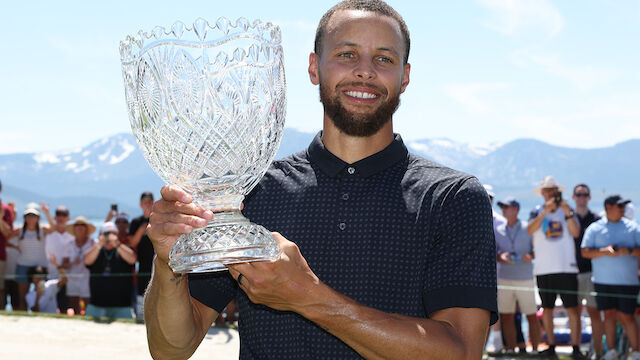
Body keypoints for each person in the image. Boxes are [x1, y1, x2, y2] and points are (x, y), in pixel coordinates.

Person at [144, 1, 498, 359]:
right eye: (347, 54)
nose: (365, 72)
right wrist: (168, 261)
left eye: (384, 59)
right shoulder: (251, 194)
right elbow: (169, 349)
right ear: (314, 67)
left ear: (405, 77)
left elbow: (462, 352)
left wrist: (308, 296)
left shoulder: (452, 198)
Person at [527, 175, 584, 359]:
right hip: (544, 268)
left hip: (566, 267)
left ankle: (576, 347)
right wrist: (545, 212)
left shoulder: (567, 211)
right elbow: (529, 230)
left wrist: (567, 212)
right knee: (547, 309)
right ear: (543, 193)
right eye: (548, 190)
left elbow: (576, 233)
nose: (551, 194)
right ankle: (551, 346)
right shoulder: (537, 211)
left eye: (554, 190)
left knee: (572, 310)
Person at [582, 195, 640, 360]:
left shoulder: (633, 227)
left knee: (627, 317)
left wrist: (627, 251)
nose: (622, 209)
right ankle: (611, 351)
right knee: (608, 316)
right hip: (602, 281)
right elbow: (584, 252)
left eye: (623, 206)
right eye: (619, 206)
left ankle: (636, 352)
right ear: (608, 207)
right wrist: (605, 251)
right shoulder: (595, 228)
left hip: (627, 282)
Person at [495, 196, 540, 353]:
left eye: (507, 207)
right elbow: (494, 254)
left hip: (524, 278)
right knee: (506, 315)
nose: (504, 210)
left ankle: (535, 350)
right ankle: (510, 350)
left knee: (531, 315)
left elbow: (537, 250)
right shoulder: (498, 230)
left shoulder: (528, 228)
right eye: (503, 207)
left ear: (516, 210)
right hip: (504, 277)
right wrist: (500, 257)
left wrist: (531, 256)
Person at [572, 183, 604, 358]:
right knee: (574, 313)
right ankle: (576, 349)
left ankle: (598, 351)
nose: (582, 197)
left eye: (585, 194)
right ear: (573, 197)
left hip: (592, 272)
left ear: (589, 197)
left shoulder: (597, 219)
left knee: (594, 313)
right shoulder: (568, 218)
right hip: (572, 272)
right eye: (579, 194)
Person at [84, 222, 136, 319]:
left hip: (122, 305)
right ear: (100, 235)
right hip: (97, 304)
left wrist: (117, 244)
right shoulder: (96, 250)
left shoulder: (123, 249)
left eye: (112, 234)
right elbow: (87, 261)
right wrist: (99, 244)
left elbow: (132, 259)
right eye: (106, 234)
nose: (109, 237)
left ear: (117, 235)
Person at [11, 206, 52, 310]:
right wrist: (15, 247)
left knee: (43, 296)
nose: (31, 218)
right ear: (24, 218)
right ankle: (24, 320)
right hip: (23, 265)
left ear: (38, 218)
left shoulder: (43, 229)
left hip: (40, 267)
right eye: (28, 215)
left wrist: (47, 213)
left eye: (33, 215)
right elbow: (6, 237)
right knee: (22, 297)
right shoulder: (19, 230)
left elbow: (54, 228)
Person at [41, 204, 73, 313]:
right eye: (58, 214)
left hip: (66, 277)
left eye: (63, 215)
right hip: (50, 275)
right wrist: (47, 214)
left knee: (64, 307)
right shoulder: (48, 232)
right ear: (54, 217)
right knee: (47, 308)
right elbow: (53, 227)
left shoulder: (72, 235)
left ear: (68, 218)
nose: (61, 217)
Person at [129, 191, 155, 320]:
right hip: (143, 264)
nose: (148, 205)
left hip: (158, 262)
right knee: (142, 291)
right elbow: (132, 242)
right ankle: (141, 316)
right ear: (140, 204)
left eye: (150, 202)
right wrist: (143, 228)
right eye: (145, 202)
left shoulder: (158, 220)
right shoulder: (135, 222)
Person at [65, 216, 96, 315]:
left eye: (82, 225)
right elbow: (63, 264)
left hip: (88, 278)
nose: (79, 227)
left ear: (86, 228)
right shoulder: (69, 244)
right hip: (72, 278)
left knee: (88, 304)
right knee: (74, 304)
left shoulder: (93, 243)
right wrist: (72, 263)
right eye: (77, 225)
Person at [0, 179, 15, 309]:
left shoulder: (6, 210)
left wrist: (0, 219)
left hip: (0, 255)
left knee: (0, 288)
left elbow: (8, 234)